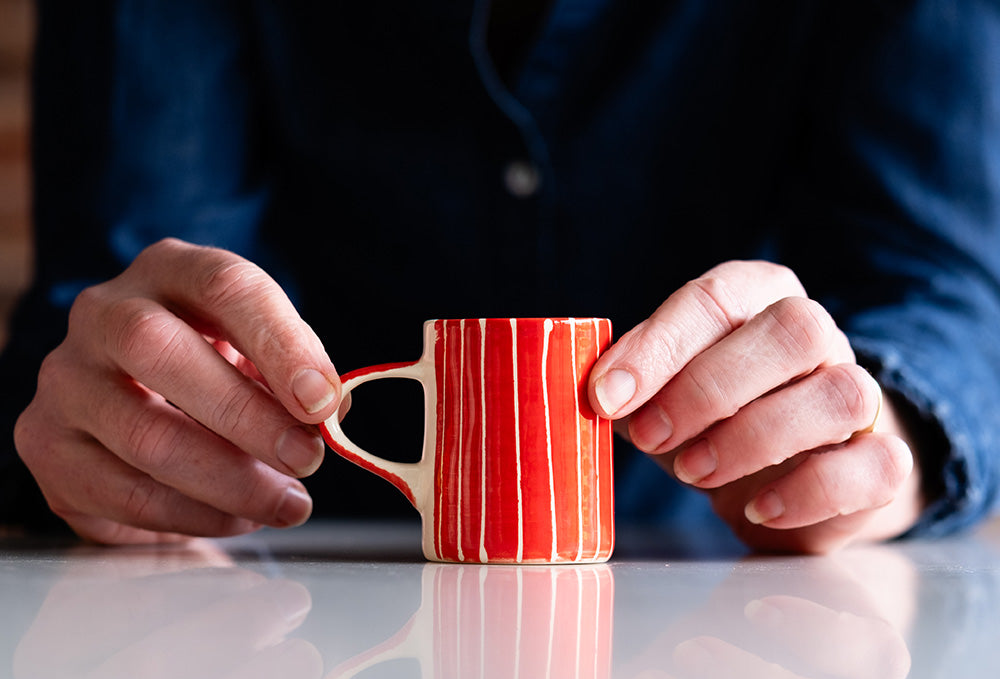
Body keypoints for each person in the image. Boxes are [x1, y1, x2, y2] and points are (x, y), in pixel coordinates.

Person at [2, 0, 998, 554]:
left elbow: (940, 281)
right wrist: (107, 415)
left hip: (713, 605)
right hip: (271, 616)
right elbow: (121, 294)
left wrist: (882, 434)